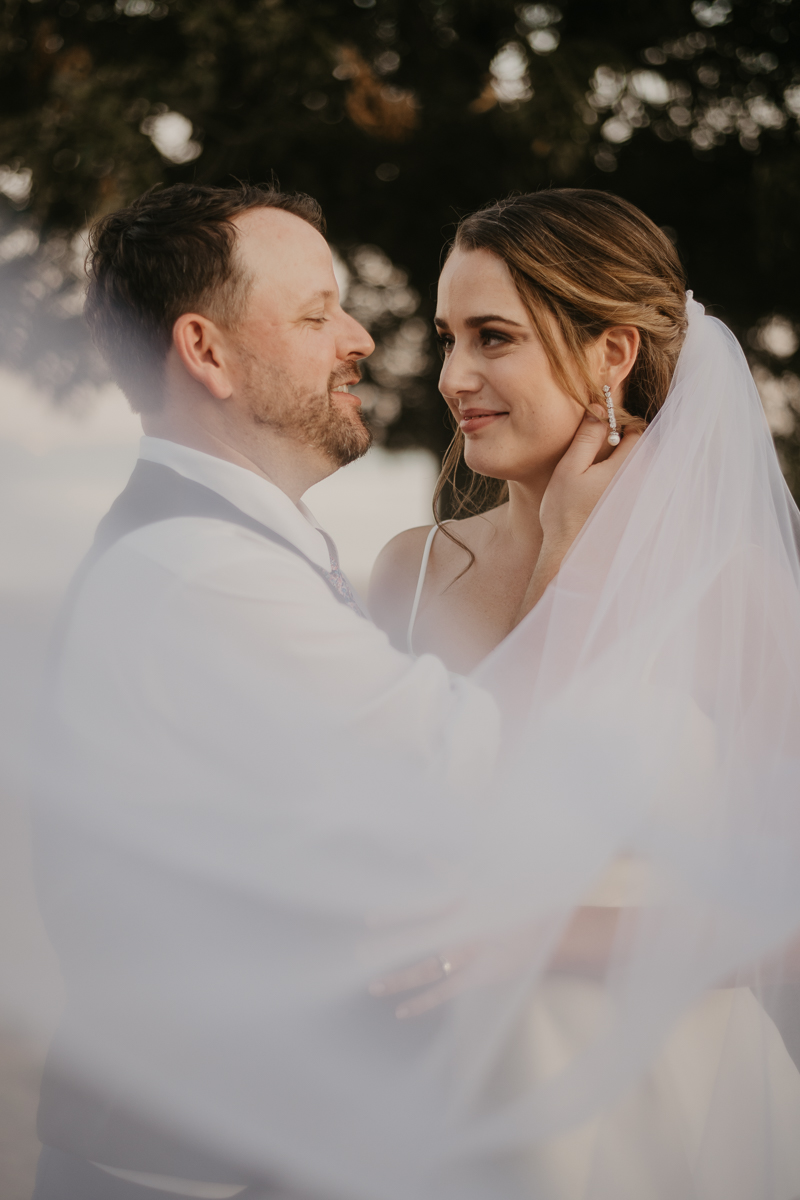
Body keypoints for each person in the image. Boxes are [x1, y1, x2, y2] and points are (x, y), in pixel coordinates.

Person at [31, 183, 629, 1200]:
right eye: (315, 313)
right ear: (204, 352)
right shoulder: (203, 574)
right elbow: (485, 781)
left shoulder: (239, 550)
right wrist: (575, 550)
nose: (358, 337)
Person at [370, 189, 800, 1197]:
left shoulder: (728, 592)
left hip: (668, 1115)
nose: (453, 377)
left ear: (610, 354)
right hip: (444, 1108)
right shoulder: (411, 572)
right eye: (445, 339)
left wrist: (534, 938)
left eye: (492, 338)